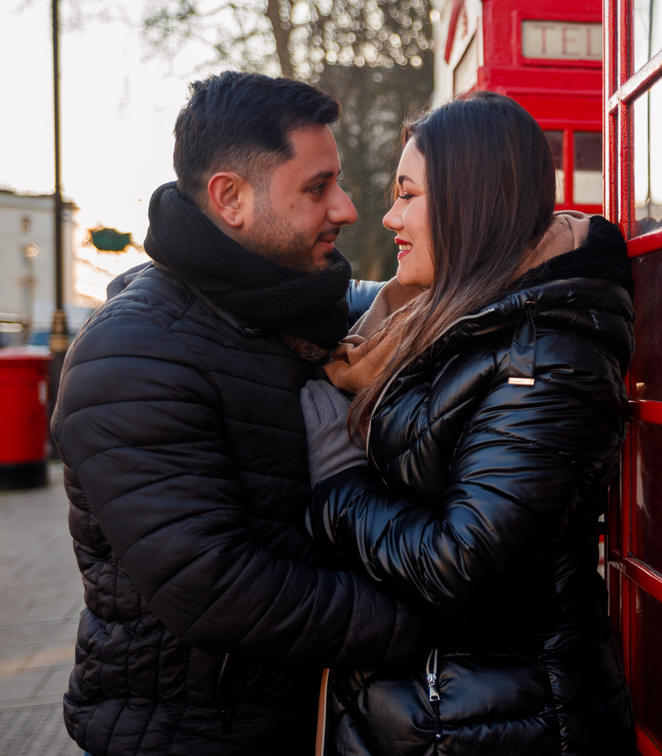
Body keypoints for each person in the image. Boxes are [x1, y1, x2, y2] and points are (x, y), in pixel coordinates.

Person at [51, 71, 425, 756]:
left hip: (290, 717)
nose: (345, 207)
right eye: (316, 188)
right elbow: (218, 589)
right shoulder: (133, 356)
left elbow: (422, 297)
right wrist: (430, 617)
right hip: (191, 735)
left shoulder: (285, 304)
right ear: (230, 198)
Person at [301, 91, 636, 755]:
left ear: (470, 202)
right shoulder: (440, 321)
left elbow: (466, 564)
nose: (391, 214)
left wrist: (336, 488)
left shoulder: (546, 357)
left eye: (409, 194)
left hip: (505, 725)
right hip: (438, 711)